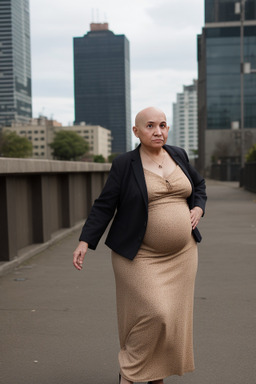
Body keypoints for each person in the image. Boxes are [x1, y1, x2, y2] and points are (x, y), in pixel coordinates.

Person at [73, 106, 207, 384]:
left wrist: (198, 208)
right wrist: (85, 241)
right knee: (155, 313)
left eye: (162, 125)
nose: (158, 131)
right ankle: (130, 374)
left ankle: (155, 375)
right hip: (139, 255)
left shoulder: (178, 154)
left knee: (170, 321)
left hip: (182, 255)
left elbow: (199, 185)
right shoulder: (125, 164)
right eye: (150, 126)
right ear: (136, 131)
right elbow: (105, 204)